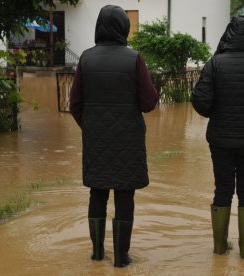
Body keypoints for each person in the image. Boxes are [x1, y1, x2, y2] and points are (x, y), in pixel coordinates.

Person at [69, 5, 158, 268]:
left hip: (95, 139)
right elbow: (149, 102)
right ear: (124, 28)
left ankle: (97, 254)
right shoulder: (134, 59)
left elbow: (75, 104)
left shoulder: (85, 59)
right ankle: (121, 258)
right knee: (124, 195)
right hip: (128, 139)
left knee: (97, 193)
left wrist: (91, 127)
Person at [191, 16, 244, 259]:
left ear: (228, 35)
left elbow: (202, 104)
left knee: (223, 188)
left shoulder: (215, 64)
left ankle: (220, 247)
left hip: (221, 140)